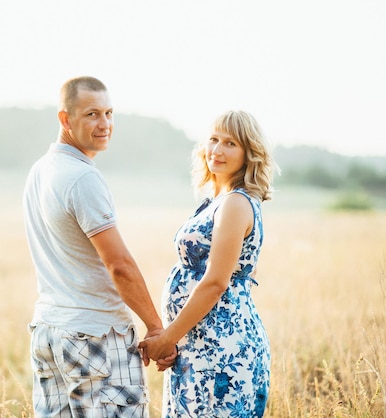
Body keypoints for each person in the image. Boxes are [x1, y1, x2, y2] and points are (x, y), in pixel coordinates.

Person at [22, 76, 175, 417]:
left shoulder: (40, 170)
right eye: (92, 114)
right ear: (65, 119)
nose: (104, 124)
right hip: (95, 336)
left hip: (49, 332)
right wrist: (155, 328)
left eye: (108, 113)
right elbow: (118, 264)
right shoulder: (82, 177)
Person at [138, 110, 275, 417]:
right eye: (213, 139)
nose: (217, 149)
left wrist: (167, 338)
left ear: (248, 154)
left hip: (221, 349)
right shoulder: (216, 201)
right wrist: (176, 338)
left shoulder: (237, 203)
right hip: (198, 343)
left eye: (230, 143)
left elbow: (215, 283)